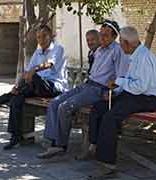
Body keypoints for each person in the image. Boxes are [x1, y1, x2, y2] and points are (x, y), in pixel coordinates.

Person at [37, 20, 129, 158]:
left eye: (106, 36)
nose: (102, 38)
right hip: (87, 85)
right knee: (55, 102)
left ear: (114, 36)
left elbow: (122, 76)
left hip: (99, 89)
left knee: (65, 107)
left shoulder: (118, 51)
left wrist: (113, 93)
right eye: (101, 35)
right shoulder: (99, 50)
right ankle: (50, 140)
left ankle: (60, 146)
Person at [88, 26, 156, 175]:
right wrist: (115, 90)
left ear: (126, 43)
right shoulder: (135, 55)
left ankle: (107, 164)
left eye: (120, 42)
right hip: (135, 94)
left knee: (110, 118)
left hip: (147, 98)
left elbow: (140, 87)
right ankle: (94, 145)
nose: (119, 45)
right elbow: (130, 81)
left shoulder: (144, 57)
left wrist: (119, 82)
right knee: (100, 107)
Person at [0, 25, 68, 150]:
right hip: (36, 87)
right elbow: (26, 72)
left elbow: (48, 64)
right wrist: (16, 85)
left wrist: (33, 71)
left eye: (44, 36)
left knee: (34, 78)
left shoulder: (58, 48)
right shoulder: (37, 52)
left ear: (51, 36)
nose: (41, 40)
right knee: (17, 99)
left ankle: (6, 97)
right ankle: (15, 136)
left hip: (54, 87)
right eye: (38, 37)